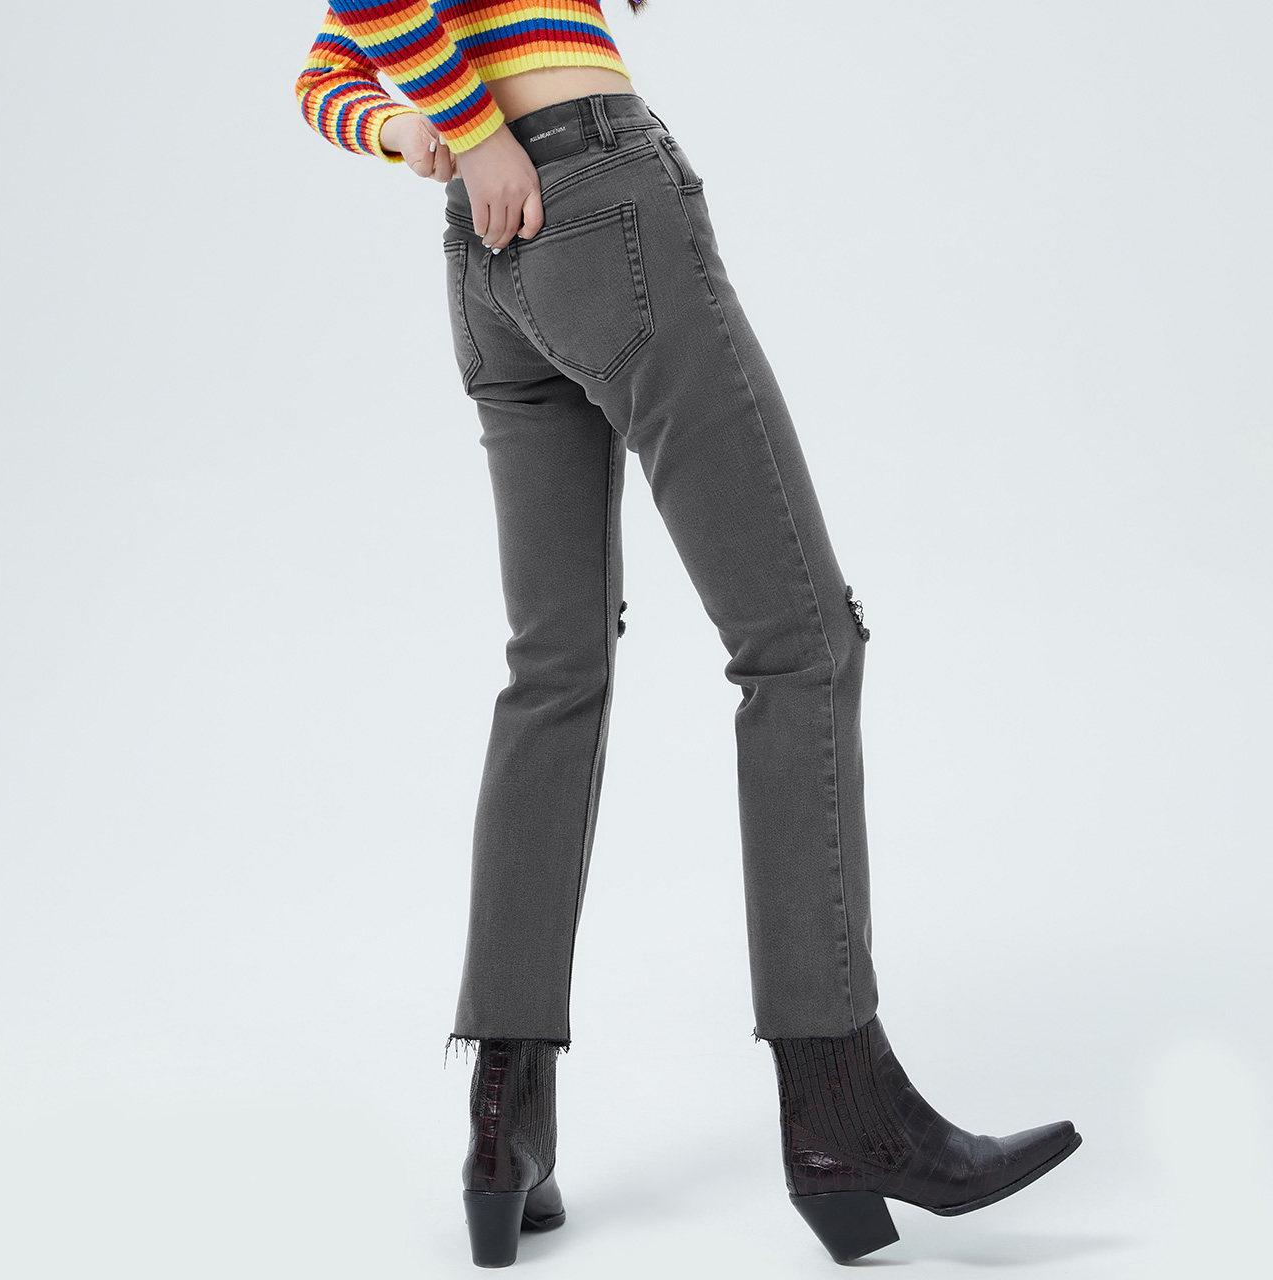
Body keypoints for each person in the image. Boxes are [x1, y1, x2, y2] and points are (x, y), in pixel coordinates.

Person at [294, 1, 1082, 1266]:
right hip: (597, 204)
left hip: (487, 268)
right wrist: (474, 130)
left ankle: (504, 1125)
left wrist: (415, 130)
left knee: (551, 671)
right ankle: (839, 1111)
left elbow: (327, 70)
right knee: (799, 646)